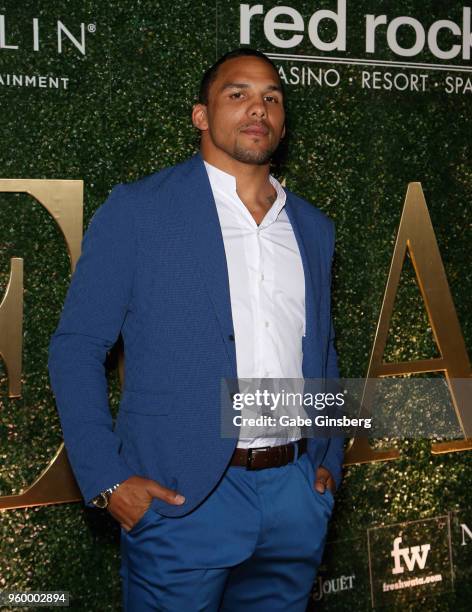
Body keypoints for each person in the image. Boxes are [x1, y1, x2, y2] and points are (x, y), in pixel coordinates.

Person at [48, 47, 344, 611]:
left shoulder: (312, 227)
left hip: (294, 495)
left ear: (281, 122)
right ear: (202, 116)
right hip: (183, 499)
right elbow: (76, 348)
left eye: (271, 98)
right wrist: (107, 479)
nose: (258, 108)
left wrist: (328, 460)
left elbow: (322, 352)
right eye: (238, 95)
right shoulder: (139, 210)